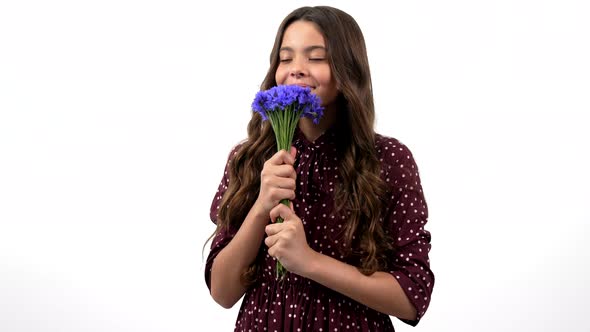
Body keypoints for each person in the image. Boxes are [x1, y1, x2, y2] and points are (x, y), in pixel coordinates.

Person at [205, 6, 434, 331]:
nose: (296, 69)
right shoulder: (248, 158)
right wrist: (261, 205)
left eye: (316, 57)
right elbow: (222, 292)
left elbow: (413, 297)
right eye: (286, 58)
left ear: (347, 70)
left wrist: (308, 261)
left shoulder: (388, 158)